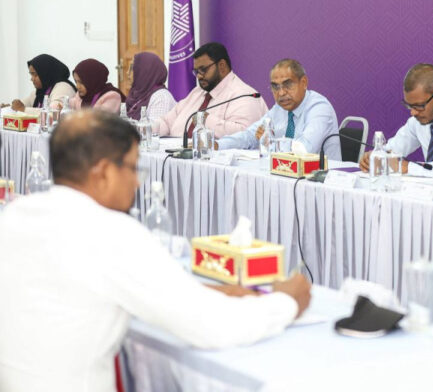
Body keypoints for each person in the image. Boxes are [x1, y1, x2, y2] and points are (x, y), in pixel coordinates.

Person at [0, 110, 311, 391]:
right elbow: (209, 326)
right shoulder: (110, 232)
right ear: (103, 172)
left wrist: (203, 291)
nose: (137, 183)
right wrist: (287, 302)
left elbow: (79, 288)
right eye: (133, 168)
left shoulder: (14, 215)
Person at [217, 59, 341, 160]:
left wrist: (271, 143)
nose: (281, 93)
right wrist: (218, 145)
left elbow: (304, 149)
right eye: (275, 87)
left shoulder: (319, 107)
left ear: (303, 82)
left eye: (288, 85)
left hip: (322, 178)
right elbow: (250, 135)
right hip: (287, 175)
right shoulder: (279, 109)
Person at [153, 42, 268, 138]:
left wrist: (205, 120)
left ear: (222, 66)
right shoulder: (198, 92)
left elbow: (245, 135)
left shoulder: (244, 95)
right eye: (196, 72)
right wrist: (146, 128)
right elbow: (166, 122)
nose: (199, 76)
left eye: (203, 70)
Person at [1, 54, 75, 113]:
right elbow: (21, 105)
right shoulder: (39, 92)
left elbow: (53, 113)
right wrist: (9, 108)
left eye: (35, 74)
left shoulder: (63, 87)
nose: (31, 79)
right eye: (31, 75)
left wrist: (23, 109)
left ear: (45, 73)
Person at [125, 52, 177, 120]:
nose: (127, 72)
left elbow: (155, 126)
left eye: (131, 68)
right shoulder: (139, 93)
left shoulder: (161, 97)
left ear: (145, 71)